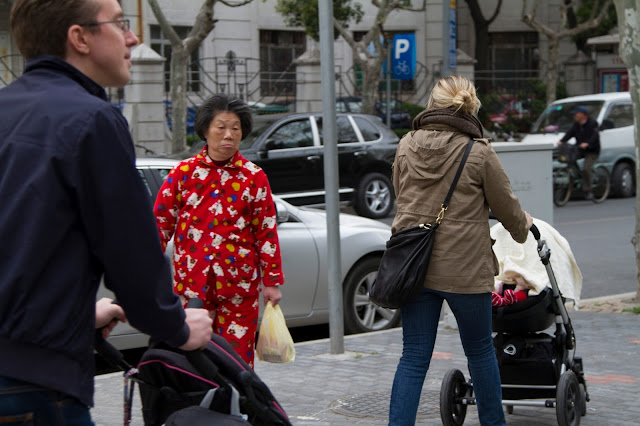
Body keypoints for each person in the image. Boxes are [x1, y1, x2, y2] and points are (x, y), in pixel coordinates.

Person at [0, 0, 213, 422]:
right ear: (79, 38)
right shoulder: (92, 120)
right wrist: (176, 326)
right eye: (119, 23)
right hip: (34, 383)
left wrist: (78, 315)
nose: (132, 38)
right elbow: (130, 254)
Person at [388, 75, 533, 426]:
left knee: (413, 356)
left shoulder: (406, 145)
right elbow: (505, 204)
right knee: (480, 352)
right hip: (465, 269)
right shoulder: (478, 152)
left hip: (414, 266)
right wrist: (522, 226)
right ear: (470, 108)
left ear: (433, 104)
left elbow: (401, 195)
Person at [154, 94, 284, 368]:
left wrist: (271, 281)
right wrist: (148, 269)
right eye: (221, 127)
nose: (228, 135)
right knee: (193, 359)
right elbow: (161, 222)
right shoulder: (183, 173)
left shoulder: (254, 177)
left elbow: (266, 231)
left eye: (235, 128)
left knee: (236, 361)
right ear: (205, 130)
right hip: (192, 286)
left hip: (239, 287)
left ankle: (236, 397)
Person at [556, 106, 600, 200]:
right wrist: (562, 141)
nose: (574, 116)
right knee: (569, 159)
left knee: (586, 168)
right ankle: (577, 176)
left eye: (576, 114)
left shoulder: (592, 123)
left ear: (583, 115)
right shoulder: (576, 124)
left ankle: (589, 190)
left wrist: (588, 143)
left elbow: (595, 136)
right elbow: (570, 133)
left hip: (592, 150)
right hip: (580, 149)